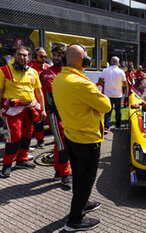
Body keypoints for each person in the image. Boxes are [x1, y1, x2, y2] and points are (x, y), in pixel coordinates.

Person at [52, 43, 111, 231]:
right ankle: (75, 220)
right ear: (84, 61)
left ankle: (82, 202)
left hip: (71, 134)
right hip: (87, 139)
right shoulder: (81, 83)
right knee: (86, 178)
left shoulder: (59, 78)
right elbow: (106, 106)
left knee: (79, 174)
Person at [0, 45, 46, 178]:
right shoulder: (4, 70)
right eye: (19, 54)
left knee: (27, 135)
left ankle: (21, 160)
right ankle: (7, 166)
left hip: (30, 109)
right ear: (14, 54)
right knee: (14, 137)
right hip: (13, 110)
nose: (22, 57)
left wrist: (42, 109)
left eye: (25, 55)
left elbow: (39, 92)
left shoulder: (33, 72)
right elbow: (0, 91)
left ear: (29, 57)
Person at [40, 44, 72, 186]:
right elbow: (57, 93)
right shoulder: (49, 73)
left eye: (59, 55)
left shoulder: (67, 71)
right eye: (54, 55)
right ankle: (65, 173)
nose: (55, 58)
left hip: (67, 112)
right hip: (55, 113)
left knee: (60, 142)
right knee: (63, 142)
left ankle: (58, 171)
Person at [28, 47, 50, 150]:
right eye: (41, 56)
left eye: (45, 56)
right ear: (34, 56)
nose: (44, 58)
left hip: (47, 98)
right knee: (38, 122)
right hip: (34, 100)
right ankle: (40, 141)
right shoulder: (29, 67)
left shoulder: (47, 66)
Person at [98, 56, 127, 133]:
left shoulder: (105, 70)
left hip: (108, 94)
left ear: (111, 62)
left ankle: (106, 127)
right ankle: (117, 125)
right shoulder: (121, 72)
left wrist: (106, 83)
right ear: (117, 62)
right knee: (118, 110)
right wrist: (119, 84)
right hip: (118, 94)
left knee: (108, 110)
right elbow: (125, 84)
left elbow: (100, 81)